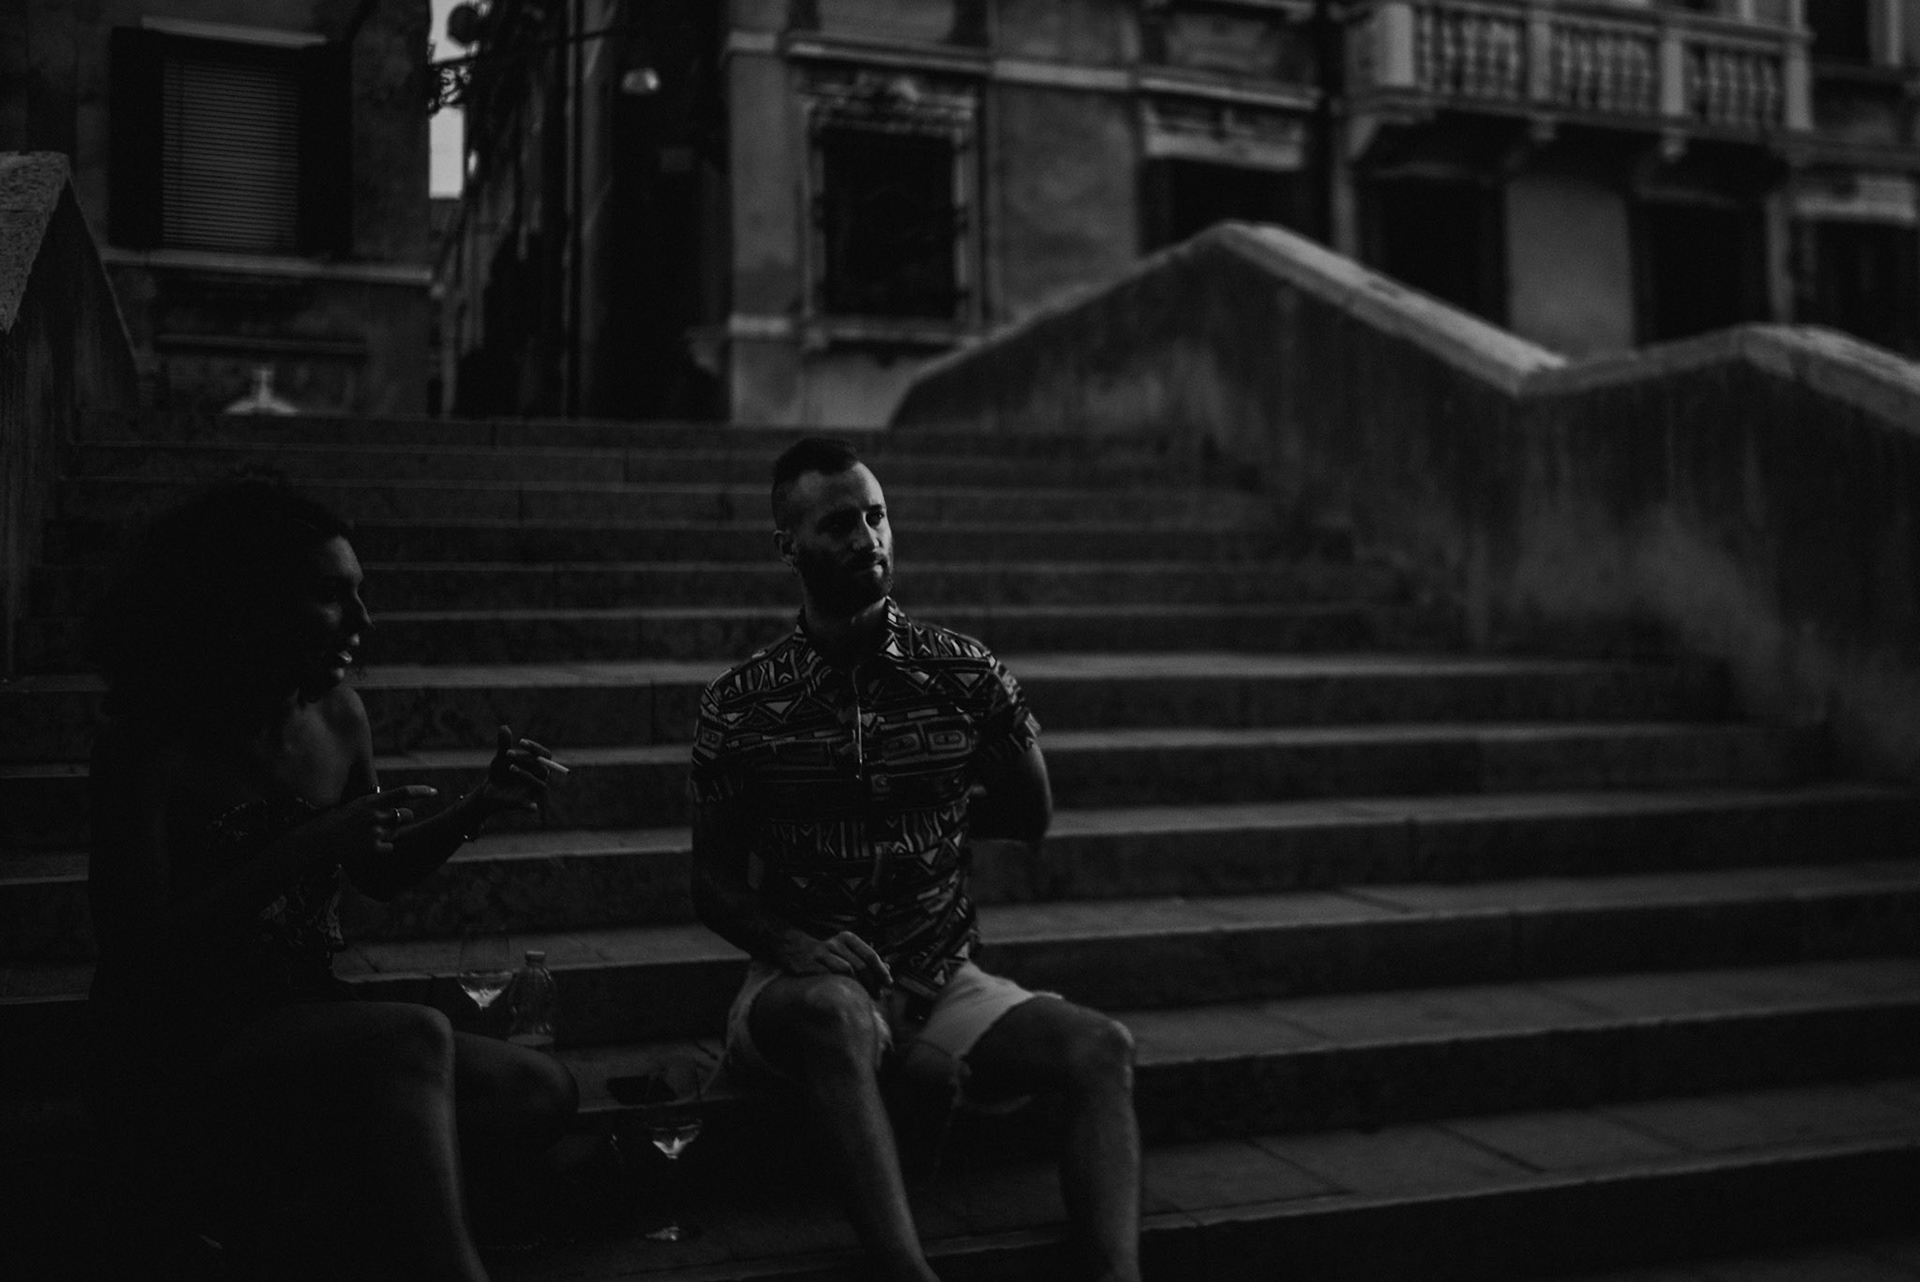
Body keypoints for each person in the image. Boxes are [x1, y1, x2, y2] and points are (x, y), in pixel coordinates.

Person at [84, 481, 577, 1282]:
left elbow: (375, 870)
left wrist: (476, 808)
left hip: (302, 1007)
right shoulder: (148, 745)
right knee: (412, 1035)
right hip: (183, 1034)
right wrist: (303, 847)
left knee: (539, 1091)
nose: (362, 623)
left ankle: (279, 1231)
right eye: (329, 596)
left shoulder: (340, 717)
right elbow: (136, 952)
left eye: (361, 595)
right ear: (244, 606)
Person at [688, 438, 1141, 1282]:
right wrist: (791, 945)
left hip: (941, 974)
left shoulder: (964, 674)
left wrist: (939, 812)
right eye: (837, 524)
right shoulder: (741, 705)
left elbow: (1031, 814)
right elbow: (710, 883)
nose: (867, 538)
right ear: (787, 544)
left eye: (876, 515)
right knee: (835, 1015)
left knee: (1100, 1048)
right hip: (805, 985)